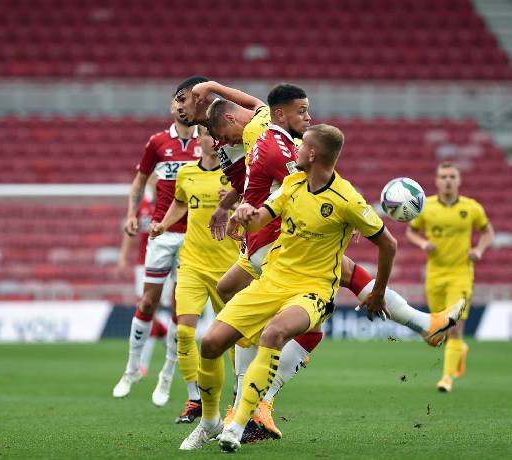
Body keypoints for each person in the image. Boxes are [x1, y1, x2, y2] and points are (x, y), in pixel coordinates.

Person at [176, 78, 465, 438]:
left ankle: (250, 404)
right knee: (288, 302)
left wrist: (212, 86)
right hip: (268, 239)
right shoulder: (256, 135)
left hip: (272, 237)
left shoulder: (261, 132)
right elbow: (282, 163)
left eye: (186, 101)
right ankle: (254, 403)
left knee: (267, 297)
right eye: (303, 112)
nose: (309, 118)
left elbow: (263, 129)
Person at [113, 96, 200, 406]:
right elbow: (138, 183)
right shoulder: (158, 143)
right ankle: (131, 369)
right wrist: (132, 214)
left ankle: (166, 375)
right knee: (148, 302)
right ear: (171, 107)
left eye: (187, 101)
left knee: (182, 311)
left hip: (195, 238)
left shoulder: (210, 142)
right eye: (177, 101)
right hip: (162, 236)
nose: (181, 106)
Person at [149, 126, 239, 424]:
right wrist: (163, 224)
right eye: (206, 135)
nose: (212, 140)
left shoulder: (235, 173)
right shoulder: (186, 173)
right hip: (192, 264)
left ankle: (240, 398)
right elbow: (179, 203)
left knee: (236, 338)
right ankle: (194, 399)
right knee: (183, 331)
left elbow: (256, 204)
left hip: (228, 269)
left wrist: (236, 201)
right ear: (198, 140)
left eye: (217, 136)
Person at [406, 162, 494, 392]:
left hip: (461, 274)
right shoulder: (426, 207)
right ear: (436, 180)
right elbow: (410, 232)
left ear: (459, 180)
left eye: (452, 176)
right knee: (435, 334)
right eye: (443, 176)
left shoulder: (471, 207)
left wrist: (479, 250)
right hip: (435, 276)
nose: (447, 180)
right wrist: (423, 242)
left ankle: (446, 379)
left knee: (455, 327)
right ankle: (459, 350)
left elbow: (487, 231)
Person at [116, 183, 170, 377]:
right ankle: (149, 358)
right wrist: (123, 258)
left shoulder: (168, 200)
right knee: (147, 308)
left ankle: (143, 362)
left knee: (151, 309)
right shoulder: (143, 203)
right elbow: (131, 232)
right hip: (143, 264)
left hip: (165, 263)